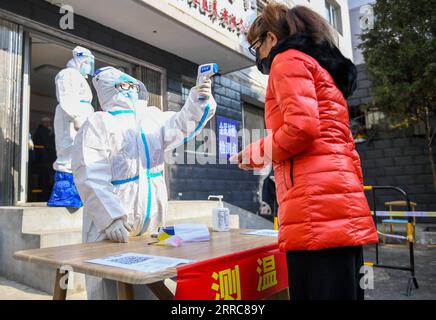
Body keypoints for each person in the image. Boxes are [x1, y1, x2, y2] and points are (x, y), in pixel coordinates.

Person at [231, 4, 378, 300]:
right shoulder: (319, 68)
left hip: (315, 214)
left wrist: (255, 153)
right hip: (338, 209)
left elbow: (301, 129)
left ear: (271, 39)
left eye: (255, 47)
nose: (258, 57)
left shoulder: (287, 61)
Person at [72, 66, 216, 299]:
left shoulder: (151, 117)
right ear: (108, 89)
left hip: (151, 219)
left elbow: (181, 124)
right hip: (114, 222)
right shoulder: (99, 122)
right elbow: (90, 171)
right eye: (122, 85)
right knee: (109, 284)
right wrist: (110, 218)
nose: (128, 90)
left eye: (130, 85)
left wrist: (199, 98)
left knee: (149, 279)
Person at [48, 46, 95, 208]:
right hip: (71, 119)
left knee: (79, 154)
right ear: (80, 60)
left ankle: (76, 192)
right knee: (68, 151)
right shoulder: (67, 74)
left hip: (81, 117)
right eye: (88, 62)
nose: (89, 66)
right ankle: (64, 195)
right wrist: (75, 115)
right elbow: (66, 96)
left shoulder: (79, 77)